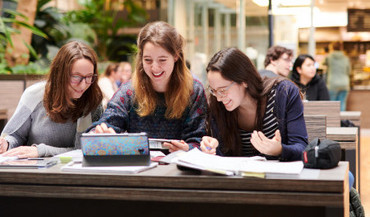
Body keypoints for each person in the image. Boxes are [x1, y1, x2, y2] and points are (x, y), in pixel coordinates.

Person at [87, 21, 207, 152]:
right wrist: (100, 132)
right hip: (139, 168)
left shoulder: (194, 91)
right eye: (148, 60)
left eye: (162, 60)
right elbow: (106, 123)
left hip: (179, 168)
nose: (155, 67)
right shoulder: (129, 91)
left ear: (176, 56)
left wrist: (187, 148)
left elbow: (199, 140)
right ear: (141, 58)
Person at [200, 47, 307, 161]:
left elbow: (302, 147)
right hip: (238, 177)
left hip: (277, 176)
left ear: (244, 80)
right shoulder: (217, 104)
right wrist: (214, 147)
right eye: (213, 90)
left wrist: (279, 150)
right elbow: (223, 159)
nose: (219, 98)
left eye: (223, 90)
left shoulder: (284, 93)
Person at [0, 41, 103, 158]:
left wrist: (41, 151)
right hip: (35, 170)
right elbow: (16, 135)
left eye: (89, 77)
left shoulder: (93, 101)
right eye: (76, 77)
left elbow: (85, 150)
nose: (83, 84)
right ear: (60, 74)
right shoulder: (34, 95)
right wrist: (6, 144)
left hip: (73, 172)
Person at [323, 41, 351, 111]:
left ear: (332, 47)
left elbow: (322, 64)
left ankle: (333, 122)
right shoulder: (346, 58)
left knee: (332, 104)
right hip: (344, 83)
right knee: (342, 104)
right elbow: (349, 71)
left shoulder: (329, 57)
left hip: (333, 83)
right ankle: (341, 121)